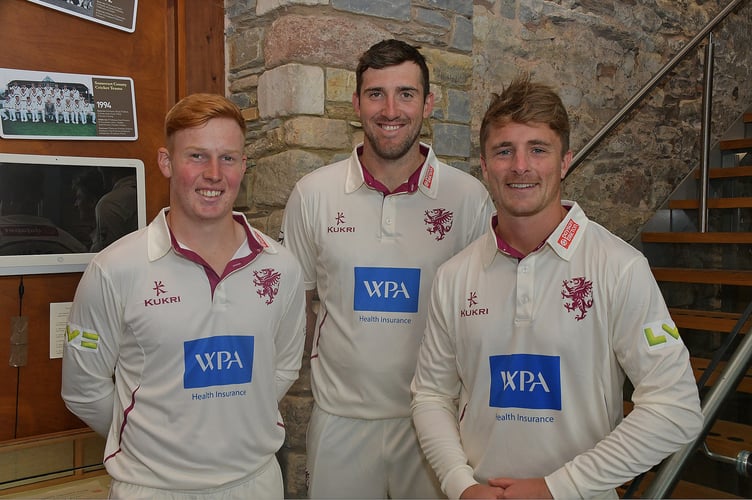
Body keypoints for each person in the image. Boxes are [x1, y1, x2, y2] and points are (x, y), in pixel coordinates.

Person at [410, 75, 704, 499]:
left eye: (538, 150)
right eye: (504, 151)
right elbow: (431, 395)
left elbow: (675, 409)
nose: (520, 166)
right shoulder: (455, 275)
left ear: (564, 161)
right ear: (485, 164)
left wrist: (558, 487)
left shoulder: (619, 267)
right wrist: (460, 485)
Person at [61, 93, 306, 499]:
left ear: (243, 166)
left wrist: (228, 426)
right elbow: (84, 390)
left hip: (256, 483)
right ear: (166, 162)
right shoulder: (114, 269)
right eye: (197, 156)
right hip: (153, 487)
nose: (214, 173)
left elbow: (280, 371)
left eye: (228, 158)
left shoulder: (282, 267)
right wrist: (156, 440)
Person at [281, 39, 494, 499]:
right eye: (376, 93)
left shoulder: (468, 197)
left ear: (428, 102)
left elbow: (483, 312)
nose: (391, 109)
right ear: (356, 103)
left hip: (434, 427)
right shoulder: (313, 194)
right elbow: (296, 307)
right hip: (341, 422)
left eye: (406, 93)